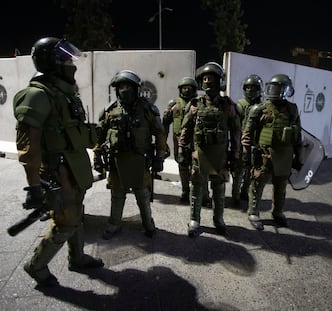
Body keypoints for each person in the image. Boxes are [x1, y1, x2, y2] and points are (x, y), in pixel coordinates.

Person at [12, 37, 104, 287]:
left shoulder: (64, 94)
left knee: (76, 216)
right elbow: (28, 149)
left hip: (74, 168)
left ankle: (78, 258)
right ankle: (36, 266)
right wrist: (34, 186)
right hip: (57, 171)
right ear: (52, 64)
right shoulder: (37, 96)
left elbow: (73, 130)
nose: (71, 65)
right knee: (65, 222)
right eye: (66, 59)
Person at [93, 70, 167, 240]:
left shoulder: (148, 109)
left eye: (128, 86)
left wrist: (159, 157)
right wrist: (97, 156)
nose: (124, 90)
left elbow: (160, 134)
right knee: (117, 193)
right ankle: (114, 223)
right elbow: (99, 135)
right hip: (117, 160)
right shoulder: (109, 111)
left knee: (142, 193)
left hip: (140, 160)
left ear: (136, 89)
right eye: (121, 87)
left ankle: (148, 223)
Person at [178, 62, 241, 237]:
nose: (208, 82)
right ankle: (194, 219)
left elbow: (236, 130)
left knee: (219, 189)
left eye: (211, 79)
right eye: (205, 79)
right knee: (197, 188)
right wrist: (182, 151)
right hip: (200, 154)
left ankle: (218, 219)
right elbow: (186, 129)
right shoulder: (195, 105)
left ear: (219, 81)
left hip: (220, 155)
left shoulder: (228, 105)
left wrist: (236, 154)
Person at [241, 74, 303, 230]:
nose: (275, 91)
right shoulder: (259, 109)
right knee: (257, 183)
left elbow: (298, 135)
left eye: (280, 88)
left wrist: (299, 157)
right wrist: (246, 155)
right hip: (264, 154)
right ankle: (253, 211)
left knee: (281, 185)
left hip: (285, 154)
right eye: (273, 88)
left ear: (288, 90)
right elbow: (247, 135)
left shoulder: (292, 109)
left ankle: (278, 212)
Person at [162, 77, 210, 205]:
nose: (186, 91)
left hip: (196, 140)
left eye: (189, 88)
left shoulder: (199, 103)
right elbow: (165, 124)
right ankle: (185, 191)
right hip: (179, 140)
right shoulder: (174, 104)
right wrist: (163, 142)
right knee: (182, 166)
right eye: (184, 88)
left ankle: (204, 194)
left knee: (200, 167)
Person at [231, 74, 264, 208]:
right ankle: (235, 196)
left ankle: (245, 192)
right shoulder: (240, 105)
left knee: (251, 171)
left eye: (253, 87)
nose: (250, 90)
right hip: (241, 143)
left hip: (256, 143)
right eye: (248, 87)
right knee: (238, 171)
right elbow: (234, 125)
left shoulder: (262, 106)